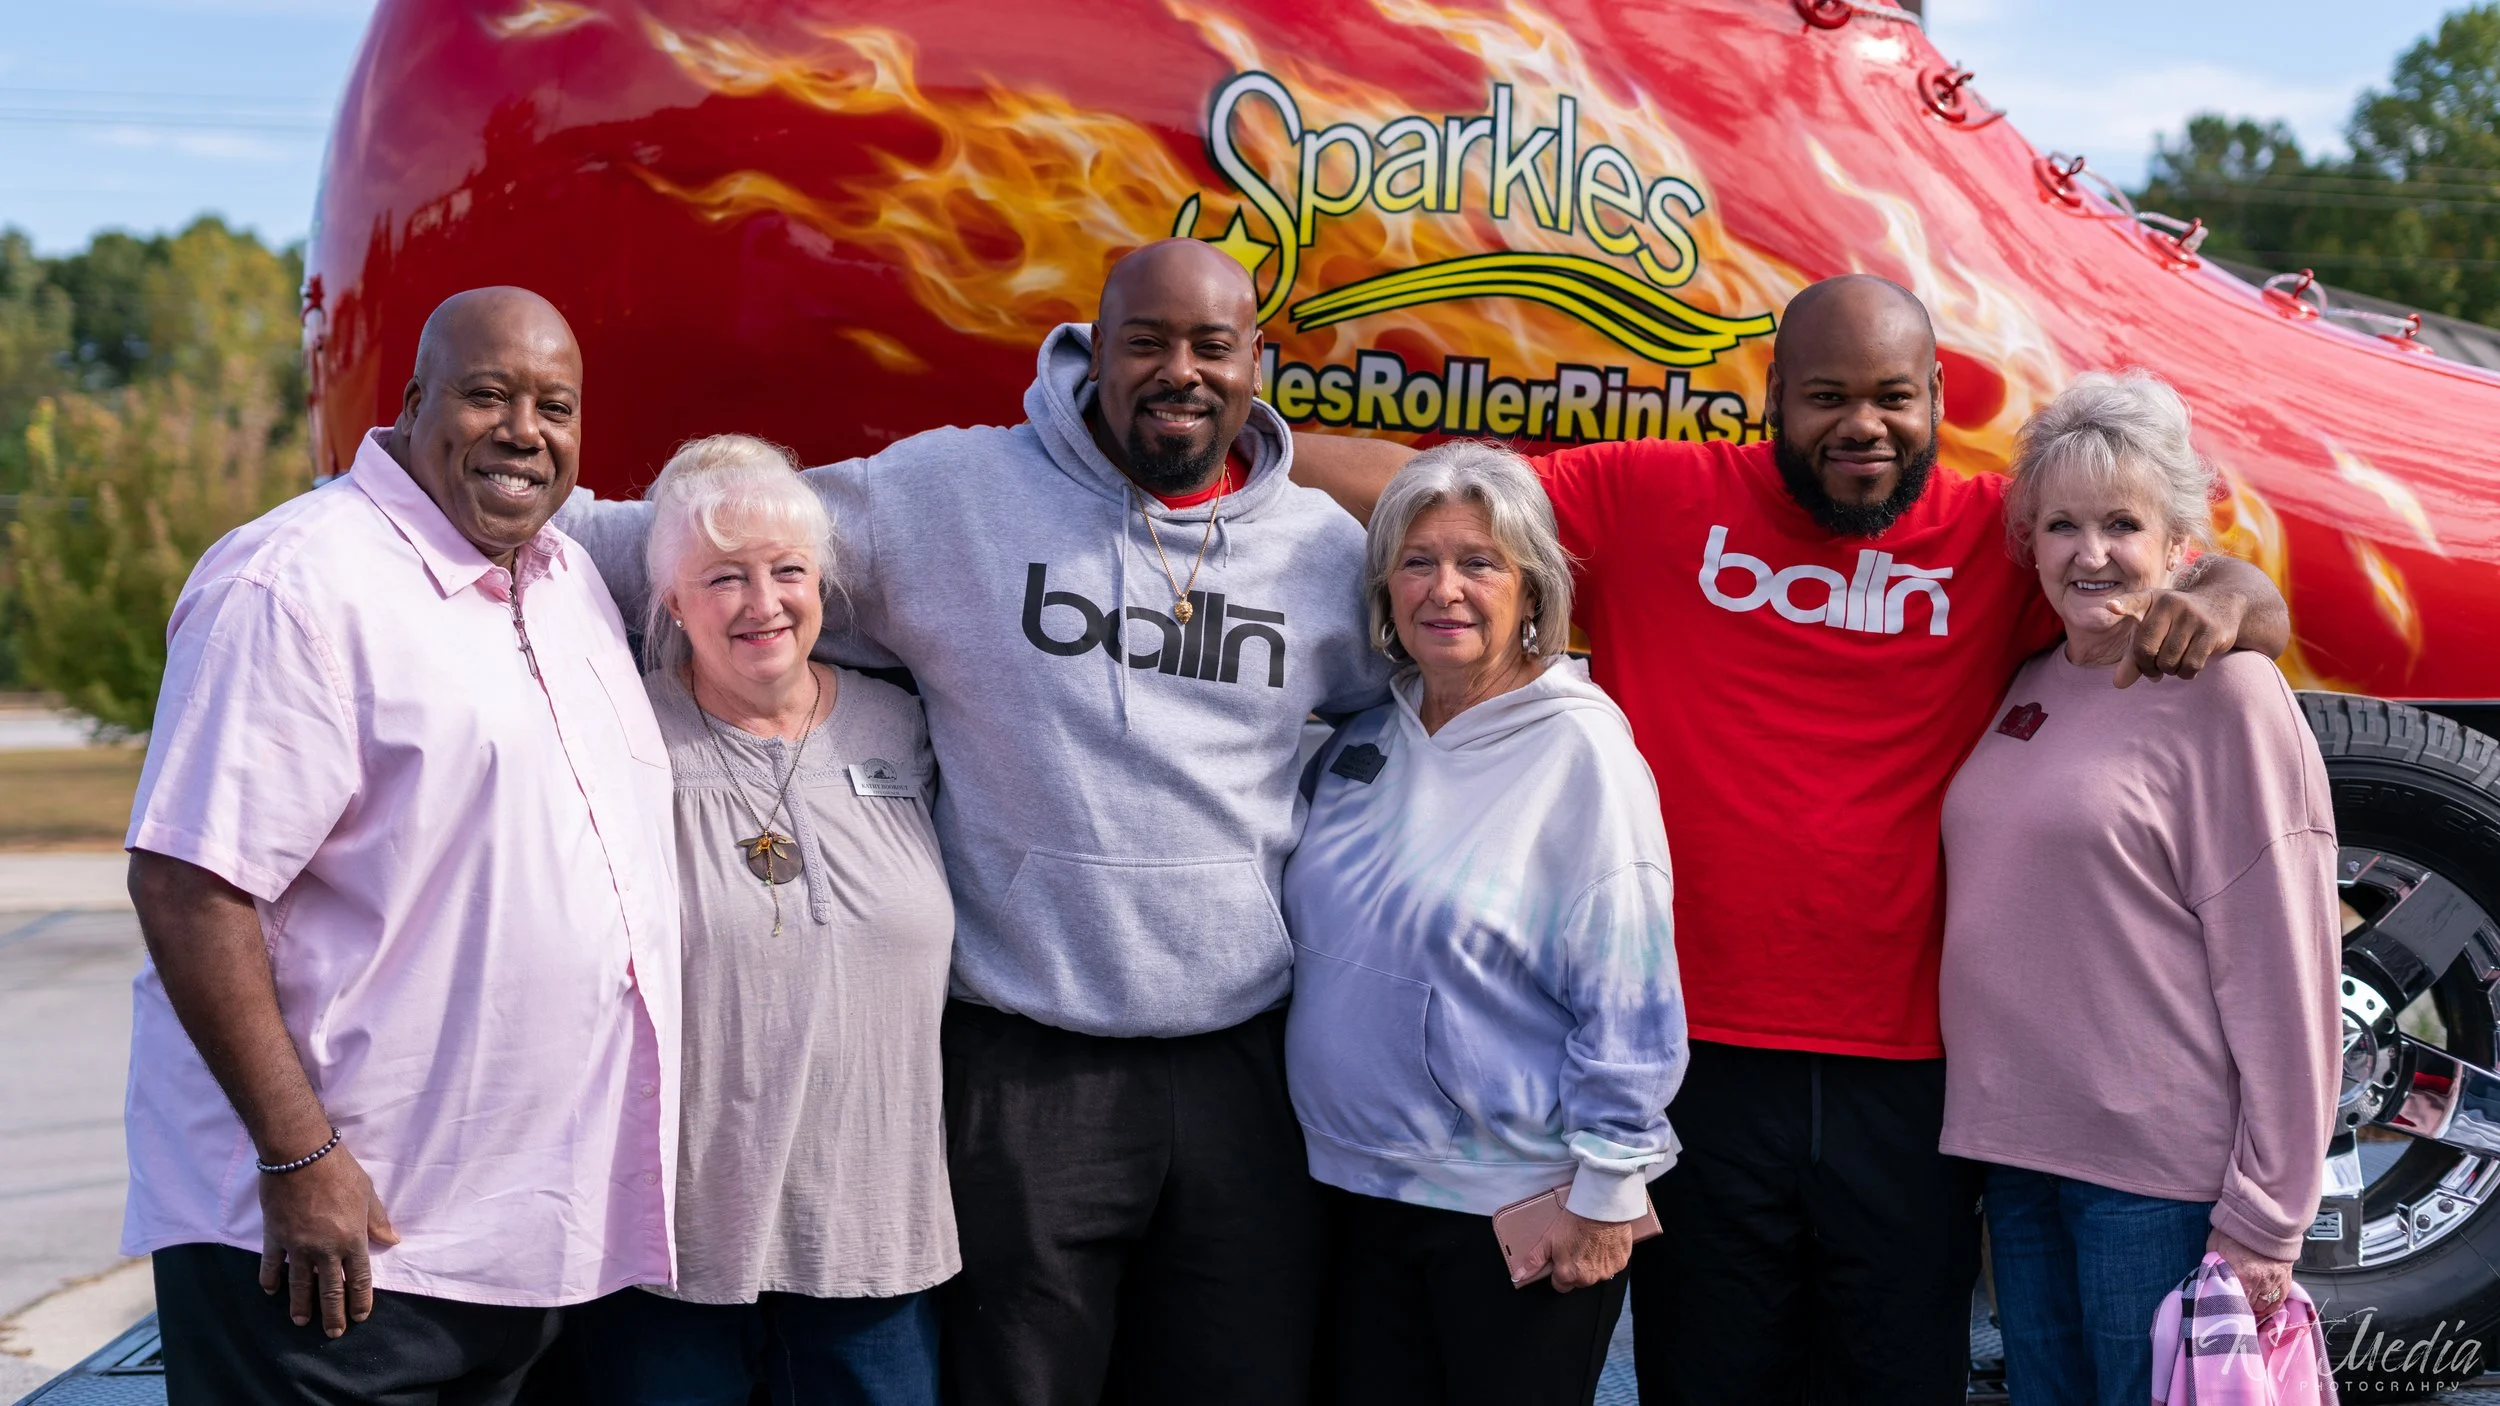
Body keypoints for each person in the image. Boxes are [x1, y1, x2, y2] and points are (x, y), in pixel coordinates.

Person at [1286, 274, 2291, 1404]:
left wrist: (2234, 598)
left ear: (1934, 396)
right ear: (1772, 397)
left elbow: (2207, 582)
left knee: (1893, 1379)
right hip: (1700, 1062)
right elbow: (1430, 493)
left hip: (1911, 1074)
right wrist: (1237, 439)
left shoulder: (2000, 538)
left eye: (1891, 397)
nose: (1862, 425)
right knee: (1708, 1378)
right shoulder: (1652, 496)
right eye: (1826, 397)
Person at [557, 239, 1390, 1405]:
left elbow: (1423, 704)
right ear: (1093, 350)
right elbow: (709, 536)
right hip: (1025, 1061)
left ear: (1256, 361)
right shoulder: (948, 496)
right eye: (1147, 342)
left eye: (1212, 345)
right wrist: (461, 494)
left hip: (1238, 1062)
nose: (1180, 370)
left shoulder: (1320, 553)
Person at [120, 287, 679, 1403]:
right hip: (331, 1244)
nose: (524, 431)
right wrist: (299, 1156)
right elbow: (186, 883)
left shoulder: (563, 581)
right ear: (414, 403)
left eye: (555, 406)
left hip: (513, 1241)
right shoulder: (295, 583)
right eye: (488, 395)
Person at [1937, 371, 2338, 1406]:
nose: (2091, 553)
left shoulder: (2229, 693)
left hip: (2154, 1180)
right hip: (2015, 1159)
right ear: (2030, 544)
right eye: (2062, 525)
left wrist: (2269, 1213)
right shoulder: (2026, 681)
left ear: (2178, 541)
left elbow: (2286, 965)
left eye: (2122, 523)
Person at [1283, 441, 1685, 1406]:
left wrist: (1609, 1191)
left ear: (1533, 586)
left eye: (1479, 562)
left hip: (1515, 1208)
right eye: (1417, 561)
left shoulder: (1581, 752)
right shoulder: (1364, 738)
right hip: (1343, 1195)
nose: (1445, 590)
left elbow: (1629, 996)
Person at [565, 435, 956, 1404]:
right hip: (675, 1246)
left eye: (787, 570)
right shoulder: (621, 735)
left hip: (874, 1232)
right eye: (724, 577)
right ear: (671, 602)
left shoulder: (901, 725)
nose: (763, 601)